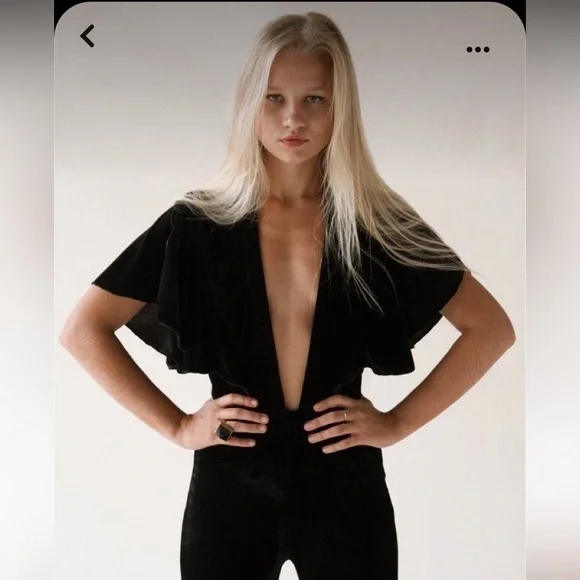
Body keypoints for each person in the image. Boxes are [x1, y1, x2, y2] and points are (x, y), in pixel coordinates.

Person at [59, 11, 516, 580]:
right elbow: (83, 329)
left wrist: (398, 423)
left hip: (346, 489)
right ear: (250, 103)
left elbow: (492, 328)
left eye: (314, 99)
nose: (293, 118)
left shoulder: (377, 224)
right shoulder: (196, 223)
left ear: (340, 108)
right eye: (274, 97)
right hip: (230, 489)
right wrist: (177, 426)